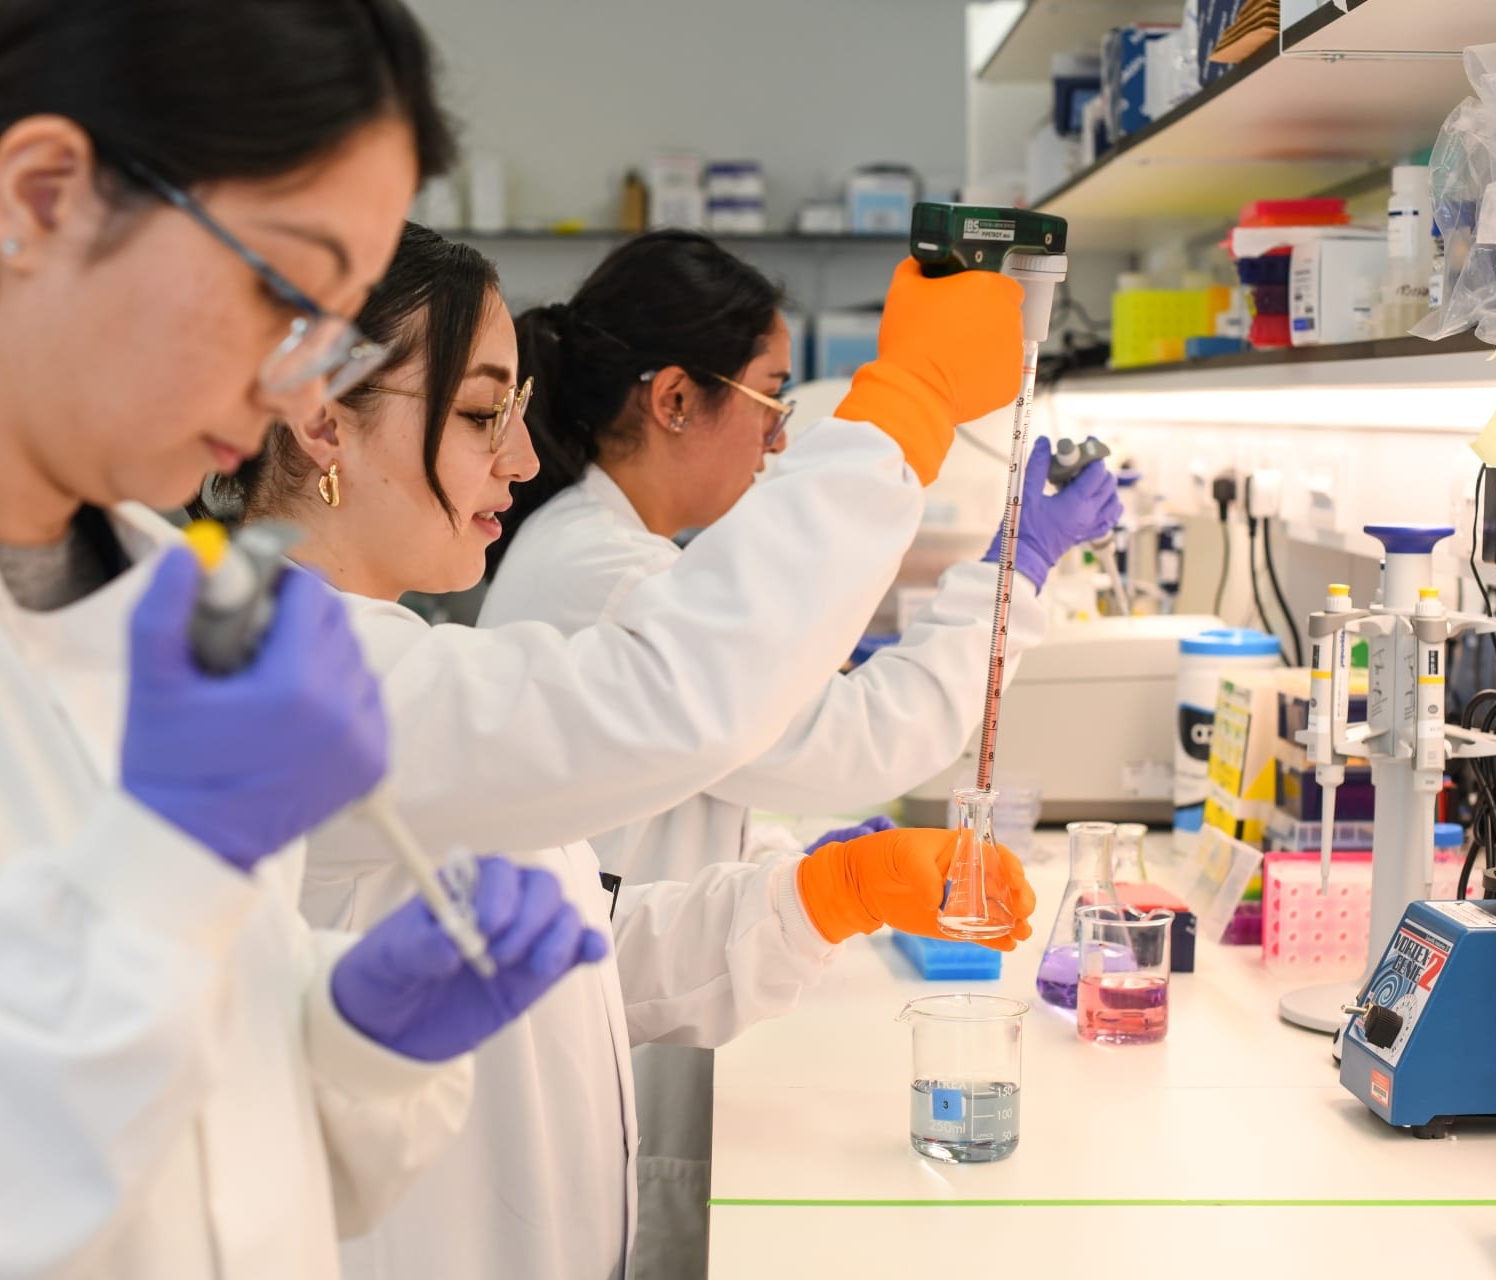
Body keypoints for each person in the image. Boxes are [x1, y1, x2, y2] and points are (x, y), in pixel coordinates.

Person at [0, 3, 603, 1274]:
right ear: (43, 196)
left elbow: (193, 1150)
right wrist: (167, 862)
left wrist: (348, 1040)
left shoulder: (157, 577)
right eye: (287, 294)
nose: (307, 393)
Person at [202, 223, 1037, 1280]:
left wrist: (823, 896)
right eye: (477, 415)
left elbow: (563, 956)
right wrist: (901, 408)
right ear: (321, 419)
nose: (523, 455)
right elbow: (671, 692)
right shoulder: (281, 687)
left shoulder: (386, 655)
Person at [479, 231, 1123, 1274]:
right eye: (773, 397)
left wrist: (795, 858)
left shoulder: (609, 547)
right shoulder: (605, 573)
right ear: (677, 400)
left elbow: (732, 750)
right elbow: (856, 742)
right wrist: (1020, 570)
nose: (781, 439)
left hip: (633, 980)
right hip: (619, 1035)